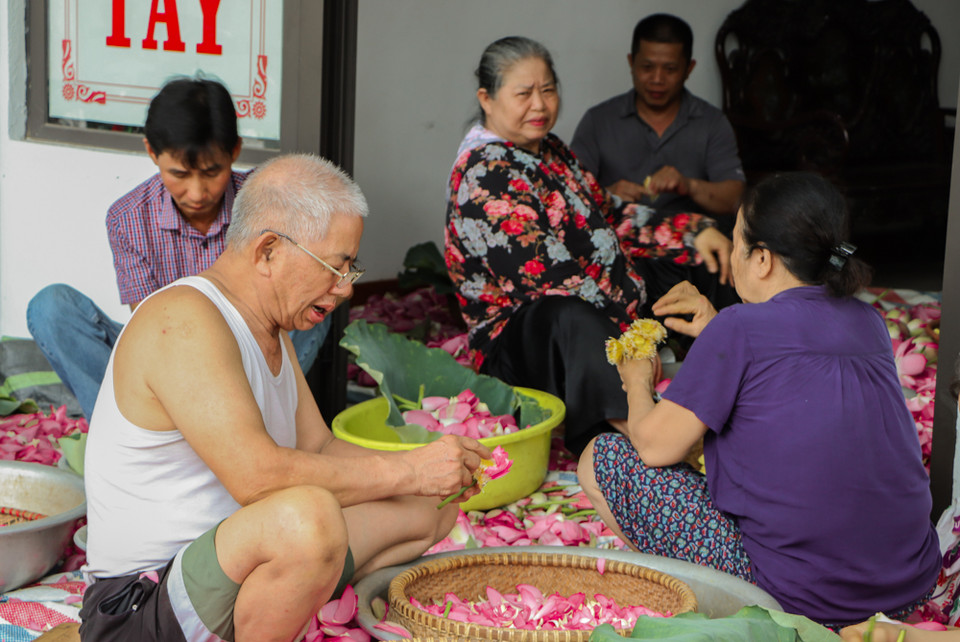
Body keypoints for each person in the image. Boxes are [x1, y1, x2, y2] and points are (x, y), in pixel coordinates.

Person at [78, 153, 490, 642]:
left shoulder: (270, 329)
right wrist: (410, 470)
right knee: (306, 520)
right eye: (333, 267)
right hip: (140, 609)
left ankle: (281, 614)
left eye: (350, 269)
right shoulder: (184, 319)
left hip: (236, 571)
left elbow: (317, 446)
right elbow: (258, 478)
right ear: (268, 250)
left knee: (430, 506)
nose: (343, 289)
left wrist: (426, 472)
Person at [577, 171, 941, 628]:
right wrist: (717, 333)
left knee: (602, 458)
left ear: (763, 259)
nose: (733, 255)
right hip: (906, 588)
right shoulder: (865, 320)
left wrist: (634, 379)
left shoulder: (740, 329)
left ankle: (735, 615)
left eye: (736, 242)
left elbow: (653, 447)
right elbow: (788, 371)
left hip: (798, 599)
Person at [444, 36, 734, 456]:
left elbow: (611, 216)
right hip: (527, 344)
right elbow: (550, 279)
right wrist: (630, 335)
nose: (540, 105)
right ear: (486, 99)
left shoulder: (550, 150)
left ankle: (737, 367)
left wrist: (694, 233)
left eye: (548, 89)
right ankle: (641, 434)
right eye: (523, 93)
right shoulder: (485, 173)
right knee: (571, 314)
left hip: (603, 300)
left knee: (697, 261)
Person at [26, 77, 331, 419]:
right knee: (50, 308)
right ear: (152, 153)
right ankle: (126, 438)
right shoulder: (128, 218)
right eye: (180, 174)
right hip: (169, 368)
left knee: (314, 294)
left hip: (250, 365)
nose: (198, 193)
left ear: (235, 151)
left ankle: (247, 430)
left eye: (212, 172)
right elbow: (155, 332)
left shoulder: (268, 203)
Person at [570, 13, 745, 232]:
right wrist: (606, 195)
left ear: (688, 69)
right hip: (619, 247)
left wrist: (688, 186)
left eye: (670, 69)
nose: (657, 79)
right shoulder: (598, 121)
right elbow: (568, 197)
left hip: (692, 250)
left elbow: (734, 199)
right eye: (647, 67)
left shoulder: (712, 122)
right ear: (631, 63)